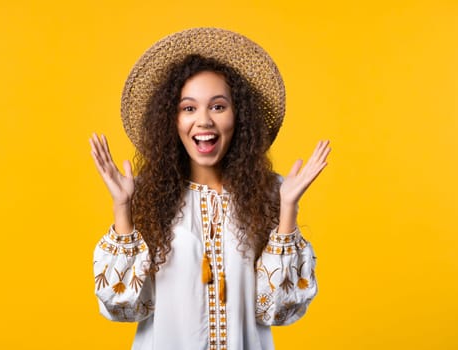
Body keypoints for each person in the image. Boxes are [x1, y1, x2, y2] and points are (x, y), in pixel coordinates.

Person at [90, 27, 331, 350]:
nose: (203, 121)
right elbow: (125, 308)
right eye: (188, 108)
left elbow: (277, 310)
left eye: (218, 106)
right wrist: (123, 208)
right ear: (171, 121)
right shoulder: (146, 195)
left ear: (238, 116)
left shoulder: (271, 192)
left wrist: (287, 210)